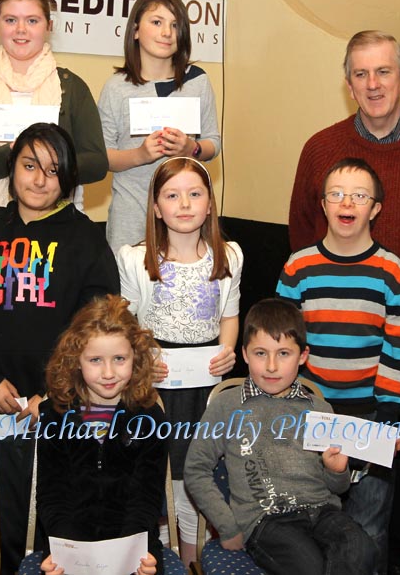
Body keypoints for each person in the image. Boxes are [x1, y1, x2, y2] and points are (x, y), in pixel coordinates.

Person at [287, 30, 400, 574]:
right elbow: (300, 229)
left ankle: (394, 556)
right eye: (361, 74)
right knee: (323, 453)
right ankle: (326, 555)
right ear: (348, 84)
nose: (373, 84)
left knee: (394, 456)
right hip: (331, 340)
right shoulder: (320, 148)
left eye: (383, 72)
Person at [0, 122, 120, 574]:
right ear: (12, 168)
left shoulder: (86, 240)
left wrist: (56, 391)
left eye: (53, 170)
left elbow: (94, 329)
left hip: (60, 407)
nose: (39, 179)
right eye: (29, 165)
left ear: (68, 180)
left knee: (57, 526)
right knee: (1, 523)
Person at [277, 157, 400, 572]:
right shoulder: (297, 268)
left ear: (375, 208)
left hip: (371, 417)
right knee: (311, 520)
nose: (346, 202)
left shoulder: (394, 274)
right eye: (336, 193)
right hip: (310, 413)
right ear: (323, 204)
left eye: (359, 195)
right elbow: (284, 345)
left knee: (369, 525)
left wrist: (387, 418)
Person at [184, 298, 377, 575]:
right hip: (267, 521)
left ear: (302, 356)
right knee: (309, 566)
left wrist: (337, 470)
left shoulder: (320, 410)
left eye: (283, 354)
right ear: (246, 354)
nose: (271, 366)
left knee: (360, 548)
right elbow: (196, 468)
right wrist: (227, 526)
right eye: (261, 353)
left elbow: (338, 488)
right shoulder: (227, 406)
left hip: (324, 512)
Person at [117, 156, 242, 565]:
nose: (184, 204)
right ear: (156, 207)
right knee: (151, 471)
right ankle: (153, 556)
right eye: (172, 195)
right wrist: (142, 359)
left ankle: (190, 560)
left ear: (210, 203)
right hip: (154, 383)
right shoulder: (134, 259)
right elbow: (126, 321)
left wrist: (227, 351)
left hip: (204, 384)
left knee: (195, 475)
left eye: (195, 194)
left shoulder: (230, 255)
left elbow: (229, 314)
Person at [0, 0, 107, 223]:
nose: (21, 29)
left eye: (32, 21)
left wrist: (48, 160)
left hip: (63, 223)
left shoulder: (72, 87)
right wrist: (4, 159)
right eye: (11, 20)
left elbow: (97, 163)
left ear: (48, 26)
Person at [36, 295, 167, 575]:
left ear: (136, 358)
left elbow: (146, 499)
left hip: (134, 544)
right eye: (95, 360)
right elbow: (52, 495)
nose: (108, 373)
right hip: (69, 544)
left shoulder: (151, 418)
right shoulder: (54, 415)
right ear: (76, 360)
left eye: (119, 359)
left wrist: (129, 555)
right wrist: (67, 552)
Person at [99, 0, 221, 253]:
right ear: (135, 30)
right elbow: (103, 156)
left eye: (175, 25)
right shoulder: (116, 87)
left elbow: (213, 143)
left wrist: (192, 148)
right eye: (157, 22)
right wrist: (141, 155)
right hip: (132, 218)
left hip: (185, 219)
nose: (167, 32)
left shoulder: (197, 81)